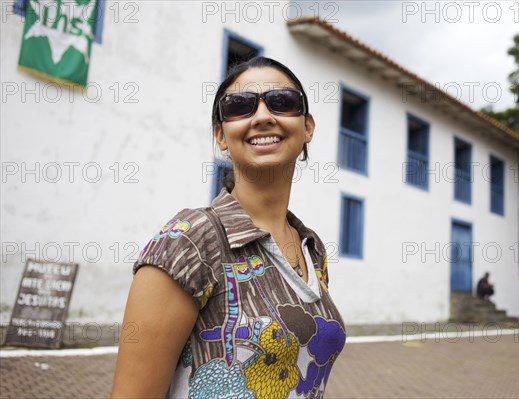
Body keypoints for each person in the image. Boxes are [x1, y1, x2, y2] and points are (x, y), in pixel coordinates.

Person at [111, 57, 346, 398]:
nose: (263, 116)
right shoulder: (190, 240)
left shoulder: (312, 248)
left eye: (282, 102)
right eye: (240, 106)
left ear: (307, 126)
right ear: (221, 135)